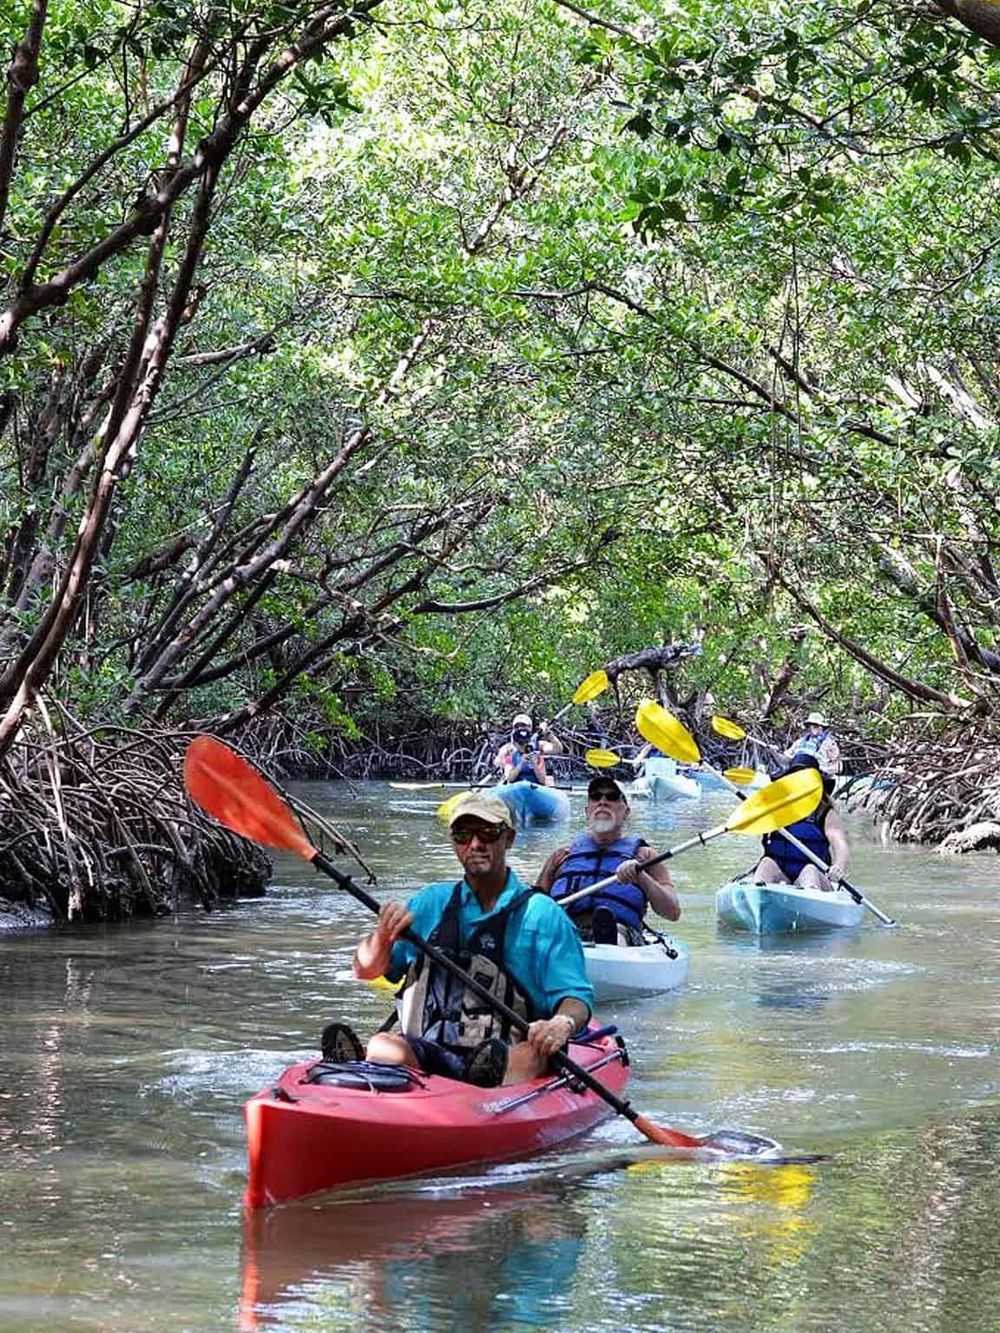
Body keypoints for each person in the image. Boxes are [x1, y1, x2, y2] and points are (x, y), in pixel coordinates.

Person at [333, 793, 594, 1089]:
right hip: (427, 1052)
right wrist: (382, 936)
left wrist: (562, 1023)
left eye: (487, 833)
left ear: (508, 838)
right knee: (382, 1045)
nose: (475, 844)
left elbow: (577, 998)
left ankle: (480, 1084)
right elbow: (364, 970)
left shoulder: (543, 915)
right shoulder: (430, 902)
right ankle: (365, 1072)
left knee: (527, 1055)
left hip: (509, 1054)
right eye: (463, 835)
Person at [535, 776, 680, 946]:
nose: (602, 802)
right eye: (595, 797)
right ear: (587, 810)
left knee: (617, 934)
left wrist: (642, 878)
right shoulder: (561, 856)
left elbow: (672, 912)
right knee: (553, 931)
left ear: (626, 811)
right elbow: (534, 906)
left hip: (621, 935)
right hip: (566, 929)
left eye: (611, 797)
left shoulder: (645, 857)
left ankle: (607, 945)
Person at [753, 754, 850, 890]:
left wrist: (839, 865)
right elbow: (756, 826)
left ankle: (810, 897)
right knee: (766, 864)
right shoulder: (776, 809)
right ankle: (758, 896)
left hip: (814, 875)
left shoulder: (824, 812)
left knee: (809, 871)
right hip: (781, 873)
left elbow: (840, 844)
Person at [494, 712, 562, 785]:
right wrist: (504, 762)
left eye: (523, 725)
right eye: (517, 727)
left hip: (535, 782)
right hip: (514, 781)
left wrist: (548, 733)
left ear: (530, 727)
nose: (520, 728)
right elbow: (497, 762)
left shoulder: (538, 745)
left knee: (548, 780)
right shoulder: (508, 748)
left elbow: (558, 749)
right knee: (504, 777)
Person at [783, 710, 842, 775]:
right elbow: (786, 756)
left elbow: (838, 766)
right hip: (797, 773)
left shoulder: (830, 744)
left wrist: (824, 770)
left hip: (817, 775)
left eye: (815, 726)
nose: (811, 729)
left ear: (821, 727)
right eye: (809, 726)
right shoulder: (799, 742)